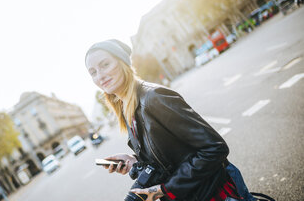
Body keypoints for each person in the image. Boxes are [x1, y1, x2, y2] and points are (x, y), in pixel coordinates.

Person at [85, 39, 243, 201]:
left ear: (123, 62)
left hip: (215, 193)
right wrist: (134, 160)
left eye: (105, 65)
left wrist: (165, 189)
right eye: (93, 72)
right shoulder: (126, 108)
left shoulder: (154, 97)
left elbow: (214, 149)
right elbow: (168, 154)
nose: (100, 76)